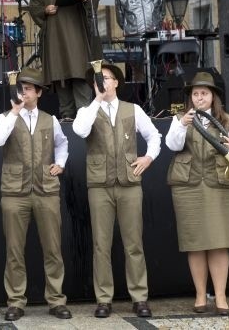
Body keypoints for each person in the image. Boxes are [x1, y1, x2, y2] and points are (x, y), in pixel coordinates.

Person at [71, 61, 159, 319]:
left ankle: (140, 297)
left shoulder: (133, 110)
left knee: (134, 243)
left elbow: (155, 136)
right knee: (101, 245)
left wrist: (148, 158)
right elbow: (80, 130)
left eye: (108, 78)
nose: (104, 82)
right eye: (100, 79)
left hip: (129, 184)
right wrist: (96, 100)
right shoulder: (87, 110)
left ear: (117, 82)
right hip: (99, 185)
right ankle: (104, 299)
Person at [0, 68, 72, 322]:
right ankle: (15, 301)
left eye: (28, 89)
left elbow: (62, 143)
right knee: (14, 250)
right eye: (20, 88)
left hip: (46, 190)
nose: (23, 92)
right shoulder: (5, 117)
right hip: (14, 192)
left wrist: (60, 162)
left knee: (53, 249)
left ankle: (56, 300)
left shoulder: (50, 119)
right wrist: (14, 111)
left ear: (38, 92)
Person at [164, 71, 229, 315]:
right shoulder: (180, 119)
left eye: (204, 93)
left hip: (219, 184)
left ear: (213, 97)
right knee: (195, 242)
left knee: (220, 242)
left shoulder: (227, 121)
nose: (199, 98)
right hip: (188, 186)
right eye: (195, 94)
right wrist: (181, 124)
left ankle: (220, 296)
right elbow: (172, 145)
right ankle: (200, 294)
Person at [29, 0, 101, 120]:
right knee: (63, 95)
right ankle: (67, 125)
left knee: (81, 84)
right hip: (54, 44)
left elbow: (92, 3)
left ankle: (86, 127)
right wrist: (45, 10)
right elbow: (34, 8)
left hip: (76, 41)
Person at [115, 0, 165, 81]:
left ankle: (156, 98)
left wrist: (155, 28)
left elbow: (162, 12)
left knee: (156, 71)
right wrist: (132, 29)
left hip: (154, 38)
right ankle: (139, 100)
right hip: (133, 39)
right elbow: (120, 18)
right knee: (136, 77)